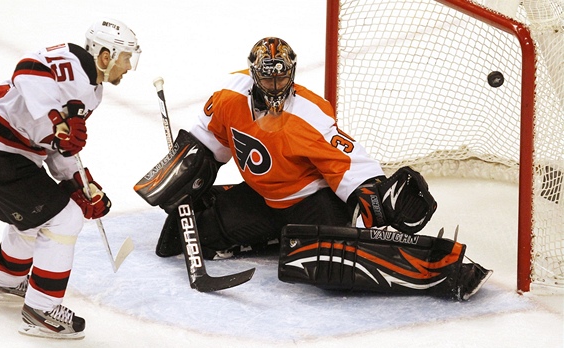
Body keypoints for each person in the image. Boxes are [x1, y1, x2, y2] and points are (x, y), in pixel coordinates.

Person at [137, 37, 492, 301]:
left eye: (282, 78)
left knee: (327, 269)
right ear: (253, 73)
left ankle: (437, 269)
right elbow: (205, 144)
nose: (275, 86)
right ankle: (282, 237)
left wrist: (377, 195)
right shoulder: (230, 97)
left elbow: (349, 166)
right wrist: (185, 173)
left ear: (291, 72)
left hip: (314, 202)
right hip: (264, 200)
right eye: (267, 78)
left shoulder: (309, 114)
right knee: (188, 233)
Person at [0, 18, 141, 339]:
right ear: (105, 55)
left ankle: (4, 281)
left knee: (38, 217)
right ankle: (42, 311)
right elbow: (27, 69)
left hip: (9, 152)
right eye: (126, 57)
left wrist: (81, 183)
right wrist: (56, 121)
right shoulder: (69, 60)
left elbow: (57, 147)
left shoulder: (93, 91)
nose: (129, 66)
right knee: (64, 218)